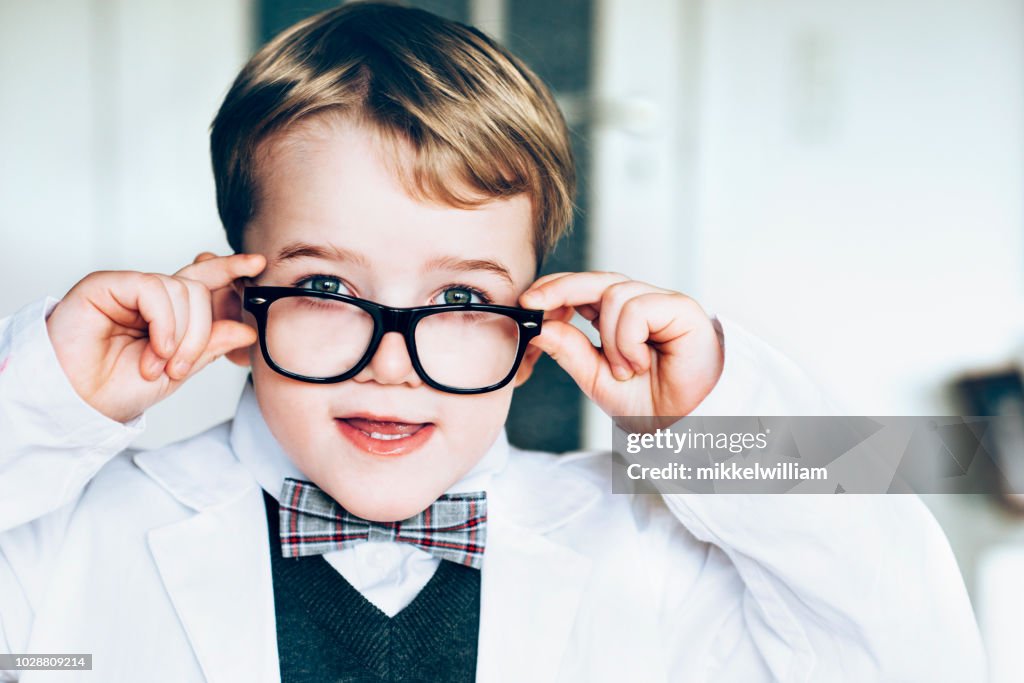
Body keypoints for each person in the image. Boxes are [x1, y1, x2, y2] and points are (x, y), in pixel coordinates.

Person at [0, 3, 984, 681]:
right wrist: (44, 396)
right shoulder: (71, 540)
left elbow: (913, 648)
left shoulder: (647, 552)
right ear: (239, 307)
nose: (392, 357)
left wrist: (714, 420)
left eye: (462, 294)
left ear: (535, 330)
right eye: (327, 286)